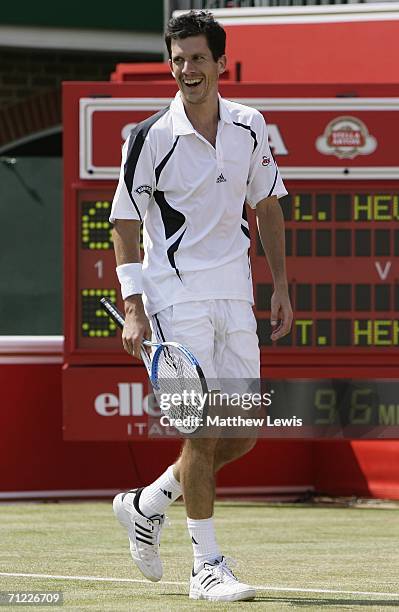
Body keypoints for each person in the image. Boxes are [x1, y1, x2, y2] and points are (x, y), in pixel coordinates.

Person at [109, 9, 292, 602]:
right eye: (178, 58)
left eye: (196, 57)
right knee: (205, 427)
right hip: (174, 297)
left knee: (243, 432)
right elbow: (123, 220)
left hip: (236, 293)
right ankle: (206, 565)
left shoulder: (250, 126)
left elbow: (266, 206)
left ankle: (147, 502)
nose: (186, 68)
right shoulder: (148, 137)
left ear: (220, 63)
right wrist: (133, 305)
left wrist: (281, 286)